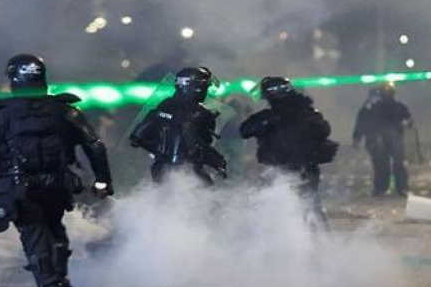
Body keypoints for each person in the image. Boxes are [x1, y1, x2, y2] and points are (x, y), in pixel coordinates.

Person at [0, 54, 113, 287]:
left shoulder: (0, 115)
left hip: (19, 186)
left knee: (33, 233)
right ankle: (60, 280)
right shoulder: (65, 110)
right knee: (55, 227)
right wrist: (103, 180)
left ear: (14, 79)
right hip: (57, 183)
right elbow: (95, 145)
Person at [240, 76, 337, 228]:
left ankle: (316, 240)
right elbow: (245, 130)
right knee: (301, 204)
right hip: (282, 167)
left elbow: (323, 130)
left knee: (307, 204)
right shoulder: (278, 115)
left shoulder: (303, 113)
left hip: (299, 166)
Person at [129, 67, 227, 184]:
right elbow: (198, 147)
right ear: (197, 87)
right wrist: (218, 161)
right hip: (187, 172)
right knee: (209, 195)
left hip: (160, 170)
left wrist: (160, 152)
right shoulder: (201, 113)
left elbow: (136, 138)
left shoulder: (164, 105)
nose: (206, 91)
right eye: (205, 87)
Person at [352, 82, 412, 197]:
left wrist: (357, 138)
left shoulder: (372, 107)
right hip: (381, 139)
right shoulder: (394, 106)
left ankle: (386, 188)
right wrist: (357, 138)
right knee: (388, 164)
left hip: (385, 139)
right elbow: (362, 122)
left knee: (386, 164)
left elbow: (361, 122)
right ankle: (394, 188)